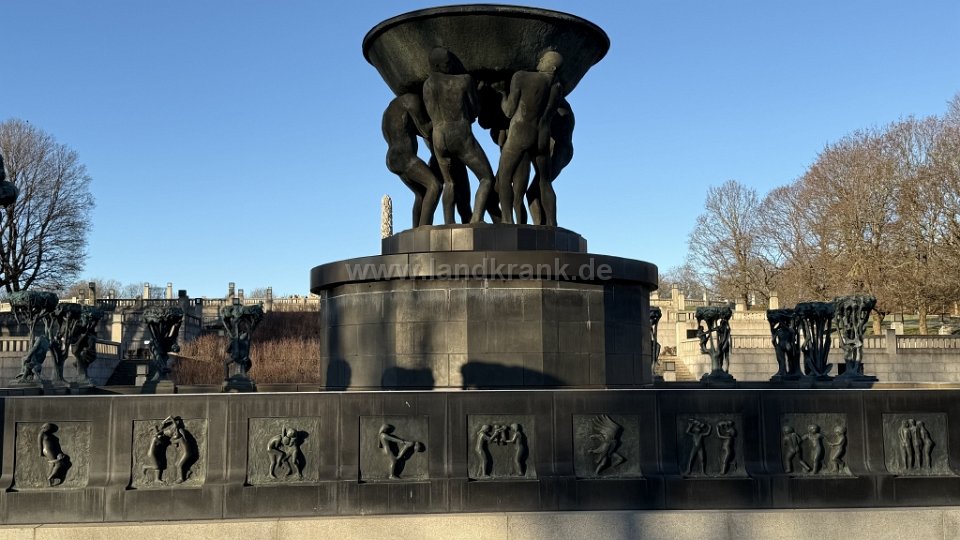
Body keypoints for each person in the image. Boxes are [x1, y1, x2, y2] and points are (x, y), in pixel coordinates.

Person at [422, 47, 497, 224]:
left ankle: (449, 223)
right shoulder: (464, 81)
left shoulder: (428, 84)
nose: (450, 64)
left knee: (449, 183)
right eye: (447, 62)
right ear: (437, 65)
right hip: (460, 133)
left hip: (439, 136)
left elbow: (430, 112)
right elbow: (474, 110)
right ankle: (476, 219)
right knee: (486, 177)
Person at [493, 51, 563, 225]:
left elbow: (509, 111)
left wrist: (502, 94)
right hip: (542, 137)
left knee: (504, 176)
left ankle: (507, 220)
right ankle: (552, 223)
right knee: (545, 181)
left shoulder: (522, 77)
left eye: (544, 59)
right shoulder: (557, 87)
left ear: (552, 67)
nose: (540, 60)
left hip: (521, 133)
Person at [382, 93, 442, 227]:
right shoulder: (410, 100)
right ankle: (424, 229)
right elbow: (425, 130)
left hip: (392, 157)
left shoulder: (388, 111)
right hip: (405, 156)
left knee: (421, 193)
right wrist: (441, 119)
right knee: (435, 186)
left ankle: (415, 230)